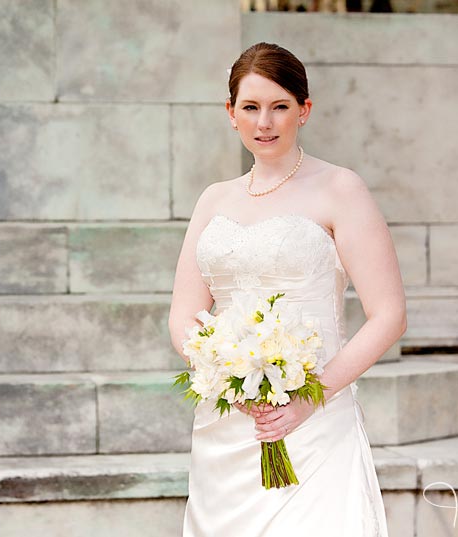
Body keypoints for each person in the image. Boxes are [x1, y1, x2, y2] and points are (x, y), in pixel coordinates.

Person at [169, 42, 406, 536]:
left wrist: (309, 398)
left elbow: (388, 315)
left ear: (305, 109)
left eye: (280, 106)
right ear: (231, 114)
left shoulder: (341, 189)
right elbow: (185, 315)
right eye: (251, 108)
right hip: (228, 421)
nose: (265, 122)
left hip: (315, 418)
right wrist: (229, 383)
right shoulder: (213, 200)